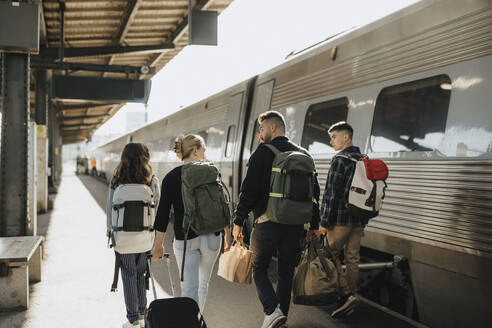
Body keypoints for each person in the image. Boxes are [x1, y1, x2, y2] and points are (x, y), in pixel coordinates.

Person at [232, 111, 321, 328]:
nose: (259, 134)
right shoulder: (304, 154)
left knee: (258, 267)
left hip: (266, 223)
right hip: (295, 225)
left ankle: (272, 311)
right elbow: (315, 194)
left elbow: (248, 191)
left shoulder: (262, 153)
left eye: (261, 129)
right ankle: (281, 319)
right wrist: (315, 225)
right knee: (285, 272)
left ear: (273, 128)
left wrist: (238, 220)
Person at [152, 134, 233, 312]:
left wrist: (158, 244)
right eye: (203, 148)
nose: (205, 152)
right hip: (212, 238)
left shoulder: (171, 177)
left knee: (189, 289)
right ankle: (196, 321)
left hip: (185, 239)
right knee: (203, 285)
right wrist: (228, 233)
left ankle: (189, 323)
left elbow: (163, 214)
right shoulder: (212, 171)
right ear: (195, 150)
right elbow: (221, 205)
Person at [106, 143, 161, 328]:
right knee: (141, 274)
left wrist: (110, 234)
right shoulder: (151, 181)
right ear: (146, 158)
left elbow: (109, 211)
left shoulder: (116, 180)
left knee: (128, 274)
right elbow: (157, 210)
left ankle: (133, 319)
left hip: (123, 239)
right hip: (145, 239)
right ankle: (142, 315)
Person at [319, 121, 364, 318]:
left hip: (340, 219)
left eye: (334, 137)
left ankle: (346, 295)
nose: (331, 142)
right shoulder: (364, 158)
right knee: (352, 258)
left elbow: (331, 194)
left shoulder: (340, 159)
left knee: (329, 253)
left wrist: (323, 222)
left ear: (346, 137)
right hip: (359, 219)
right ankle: (351, 297)